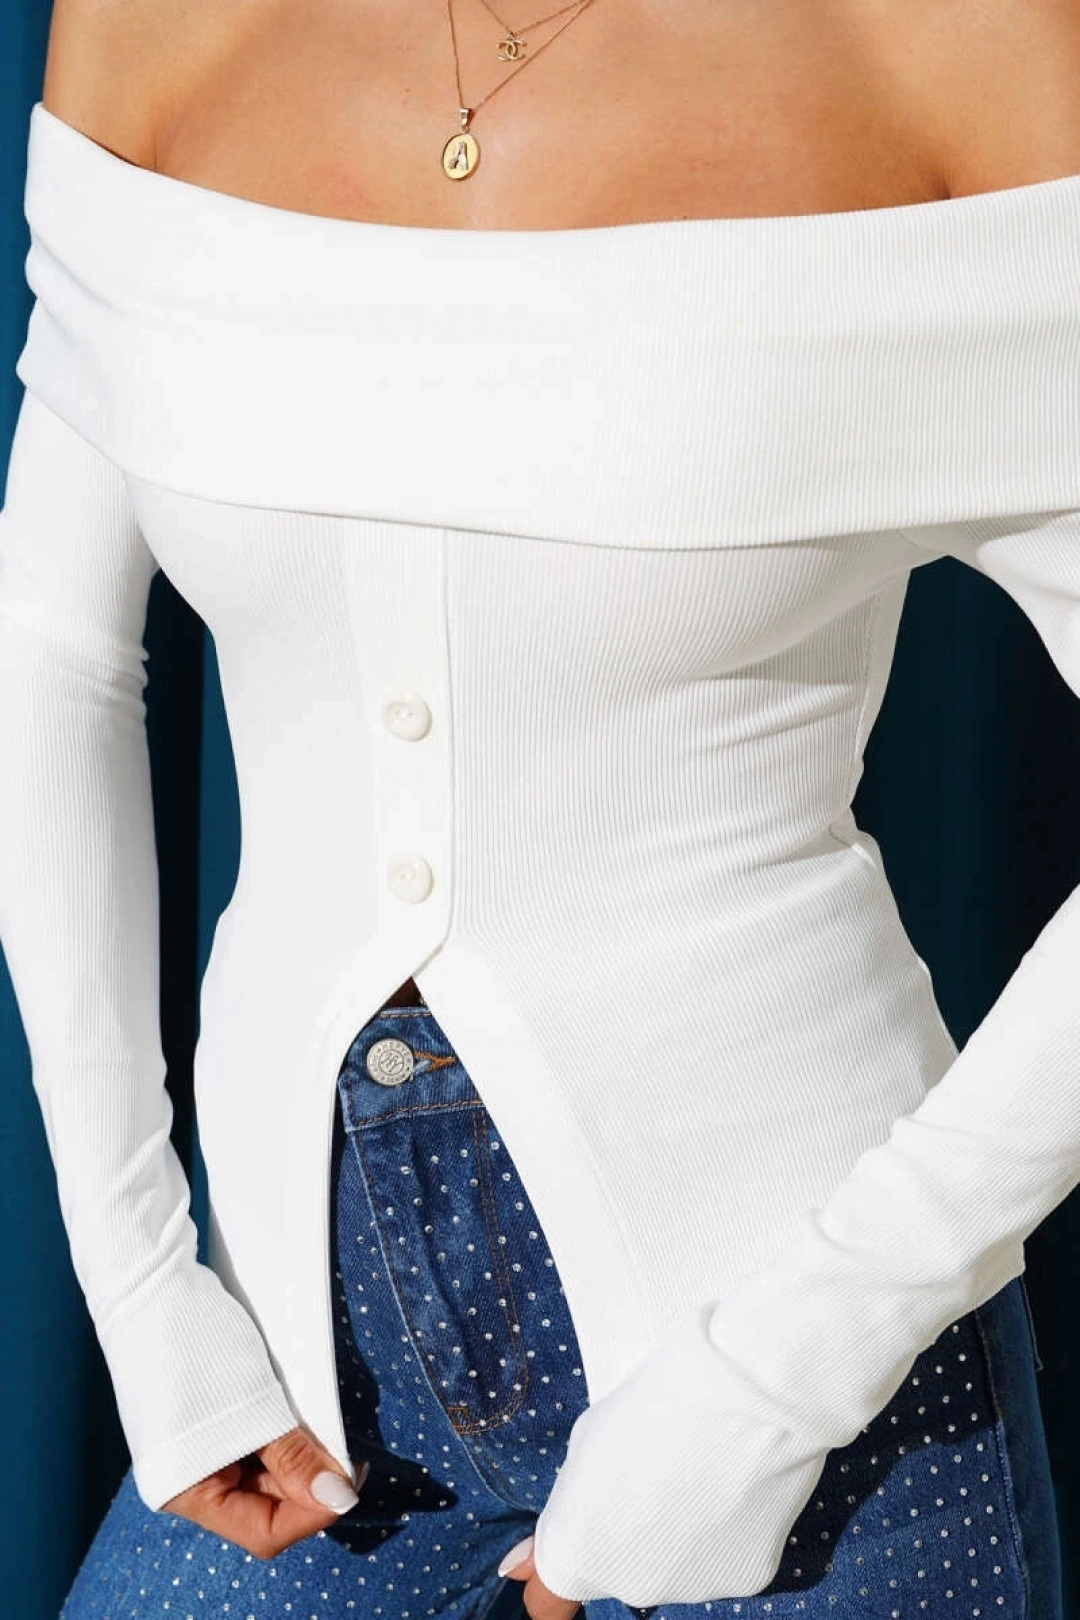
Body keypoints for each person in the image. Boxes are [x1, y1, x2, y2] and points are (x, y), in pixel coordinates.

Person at [1, 0, 1079, 1615]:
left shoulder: (958, 47)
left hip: (815, 1405)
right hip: (298, 1388)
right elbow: (51, 657)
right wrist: (145, 1289)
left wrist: (769, 1389)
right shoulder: (160, 25)